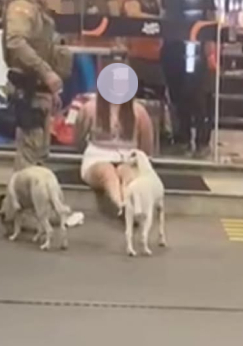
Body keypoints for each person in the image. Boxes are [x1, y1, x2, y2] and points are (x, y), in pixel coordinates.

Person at [2, 0, 73, 170]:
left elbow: (45, 48)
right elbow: (16, 42)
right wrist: (45, 72)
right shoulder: (22, 7)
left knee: (39, 153)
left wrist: (51, 89)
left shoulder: (39, 9)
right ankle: (24, 187)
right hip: (29, 90)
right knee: (30, 154)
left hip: (40, 91)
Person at [75, 91, 154, 214]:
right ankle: (121, 205)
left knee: (127, 174)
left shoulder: (139, 111)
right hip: (96, 158)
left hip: (128, 158)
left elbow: (146, 145)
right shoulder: (90, 108)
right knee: (107, 172)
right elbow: (78, 139)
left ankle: (130, 207)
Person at [161, 0, 217, 158]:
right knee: (176, 95)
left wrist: (210, 47)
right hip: (172, 46)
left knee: (198, 94)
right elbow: (163, 14)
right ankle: (182, 139)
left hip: (195, 47)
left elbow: (210, 18)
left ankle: (202, 142)